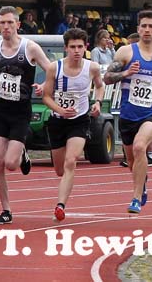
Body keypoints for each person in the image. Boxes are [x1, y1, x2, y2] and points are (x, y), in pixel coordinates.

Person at [0, 6, 51, 225]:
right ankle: (6, 209)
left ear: (18, 25)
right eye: (2, 23)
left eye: (10, 23)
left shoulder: (31, 48)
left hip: (20, 112)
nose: (6, 27)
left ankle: (22, 153)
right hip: (0, 110)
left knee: (10, 163)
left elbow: (51, 69)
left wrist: (44, 85)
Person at [103, 10, 152, 214]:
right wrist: (126, 72)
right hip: (129, 114)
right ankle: (141, 184)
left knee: (139, 147)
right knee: (132, 160)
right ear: (138, 29)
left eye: (151, 26)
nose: (147, 30)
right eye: (143, 26)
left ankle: (136, 198)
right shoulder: (125, 52)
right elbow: (107, 78)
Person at [42, 28, 104, 221]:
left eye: (80, 47)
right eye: (72, 47)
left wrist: (98, 102)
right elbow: (46, 96)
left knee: (71, 161)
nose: (77, 51)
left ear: (85, 47)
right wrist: (60, 110)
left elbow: (100, 86)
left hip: (80, 121)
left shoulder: (92, 67)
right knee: (60, 169)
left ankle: (60, 206)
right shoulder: (55, 68)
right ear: (66, 48)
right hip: (58, 121)